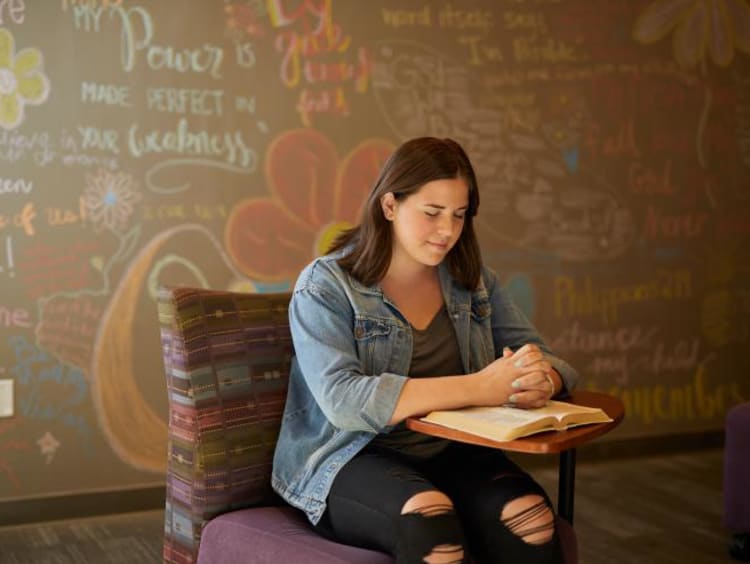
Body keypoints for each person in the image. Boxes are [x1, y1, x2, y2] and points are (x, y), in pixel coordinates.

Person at [272, 136, 579, 563]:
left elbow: (545, 356)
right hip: (351, 456)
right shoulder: (326, 285)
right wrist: (480, 387)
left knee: (530, 518)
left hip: (452, 451)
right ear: (390, 205)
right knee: (429, 522)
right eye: (432, 213)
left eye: (459, 215)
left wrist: (542, 379)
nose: (447, 231)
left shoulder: (472, 282)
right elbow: (343, 400)